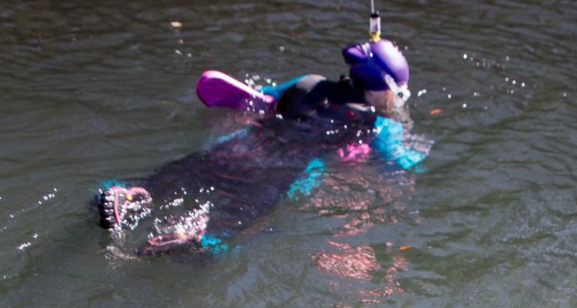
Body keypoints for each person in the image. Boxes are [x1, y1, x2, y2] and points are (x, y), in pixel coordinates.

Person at [97, 39, 423, 257]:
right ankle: (192, 235)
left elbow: (259, 100)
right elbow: (402, 164)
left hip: (240, 147)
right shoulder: (374, 127)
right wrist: (401, 120)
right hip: (276, 175)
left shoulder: (308, 83)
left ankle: (132, 194)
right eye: (398, 94)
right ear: (383, 90)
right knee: (234, 225)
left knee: (184, 173)